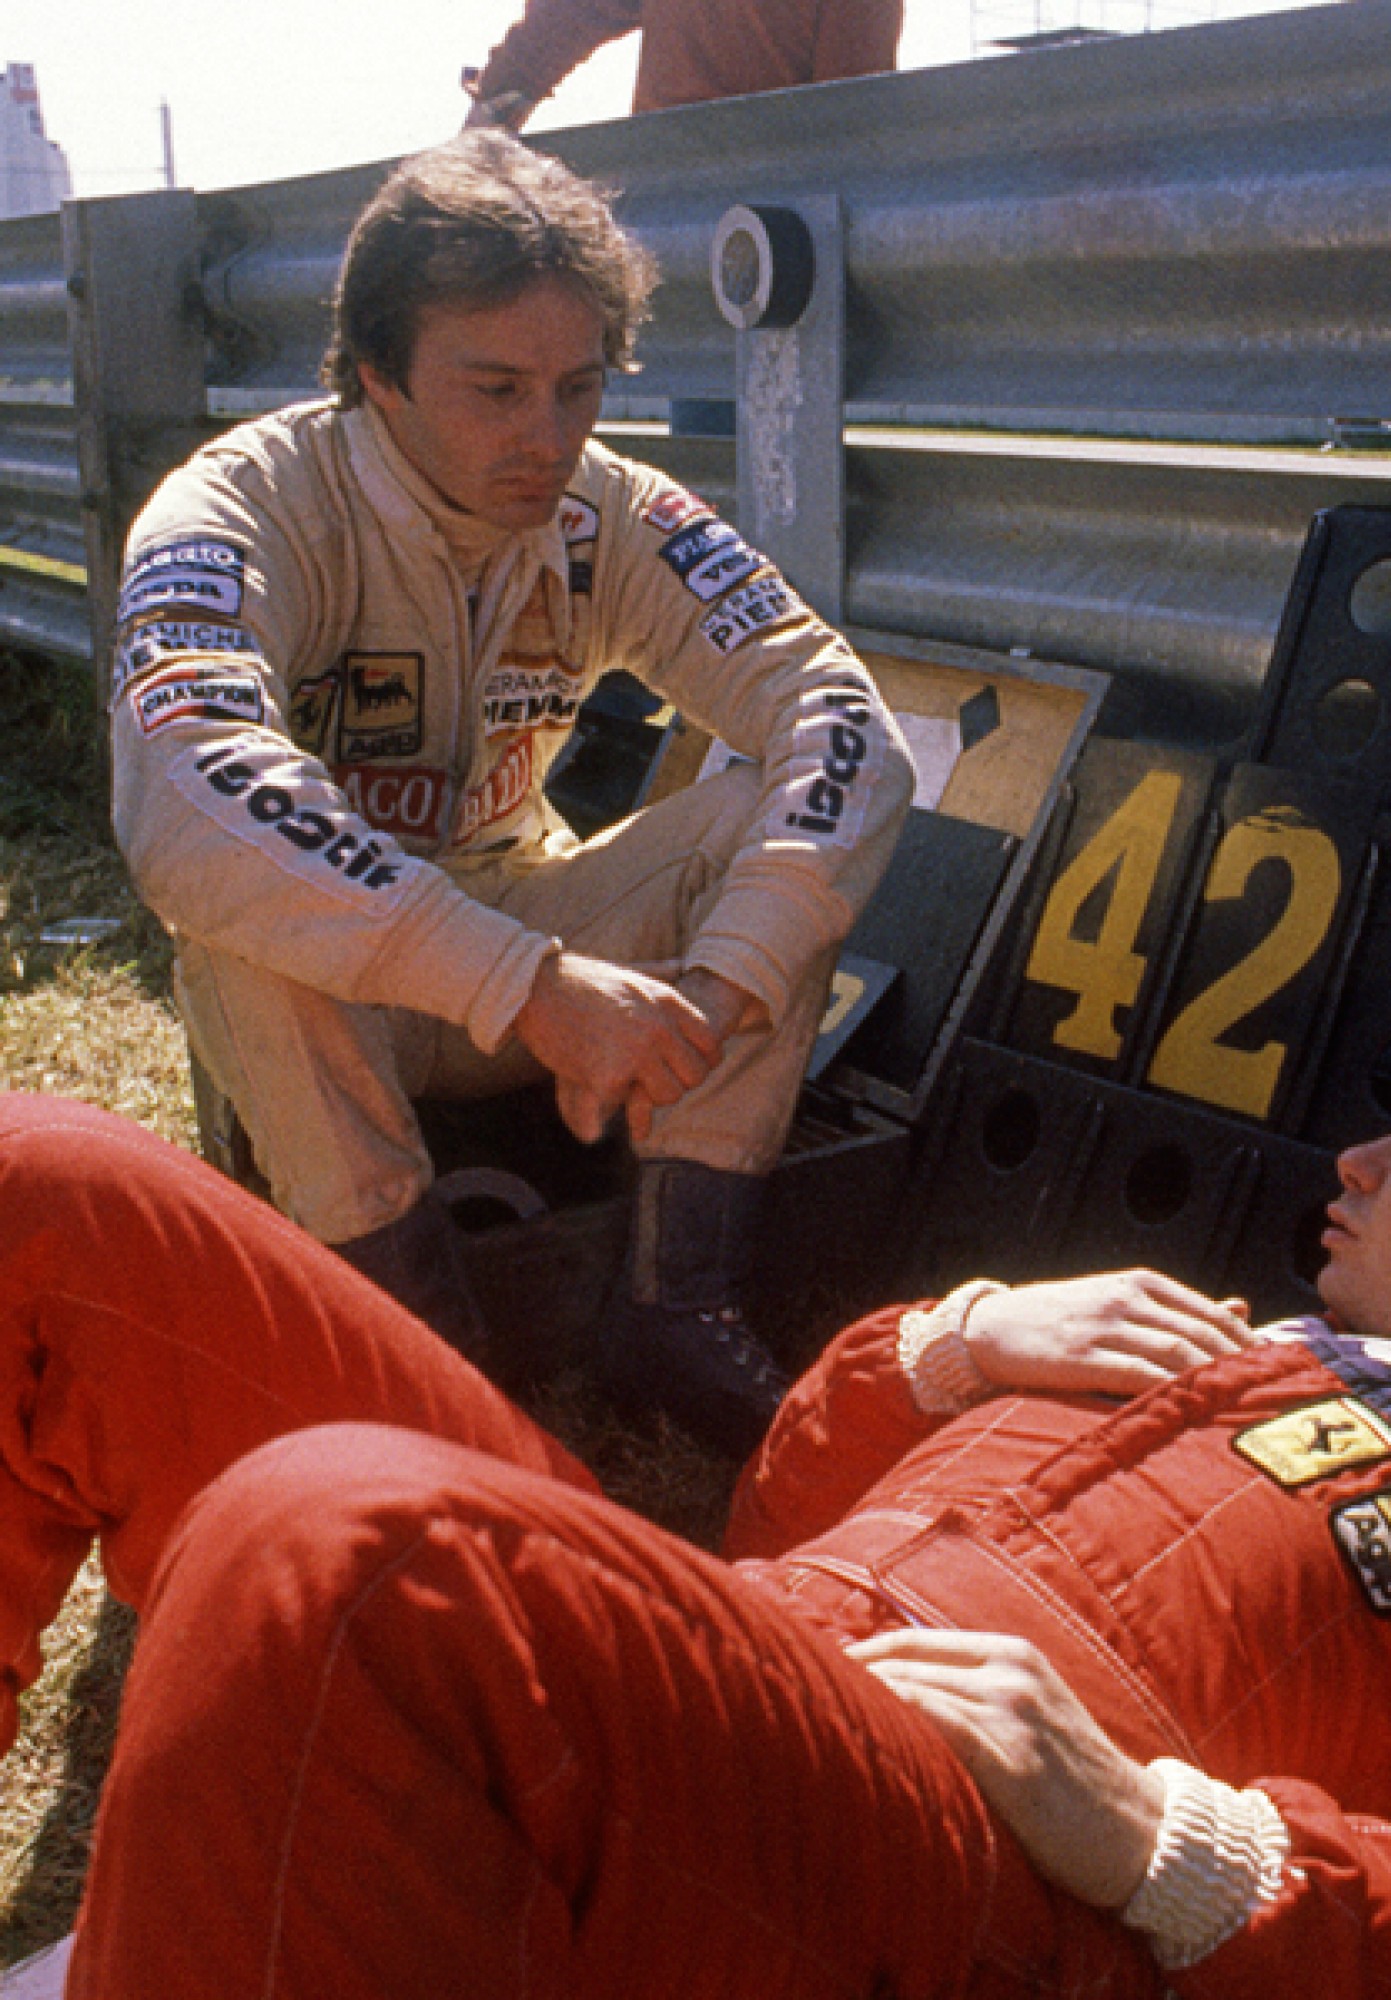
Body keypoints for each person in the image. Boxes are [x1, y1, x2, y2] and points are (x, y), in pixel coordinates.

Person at [0, 1013, 1391, 1997]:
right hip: (728, 1679)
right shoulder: (1202, 1335)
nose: (1354, 1159)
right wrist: (943, 1347)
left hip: (955, 1878)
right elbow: (776, 1528)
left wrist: (1188, 1850)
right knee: (44, 1185)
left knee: (349, 1551)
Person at [108, 131, 913, 1450]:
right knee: (242, 910)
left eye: (580, 389)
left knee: (769, 822)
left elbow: (840, 719)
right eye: (495, 389)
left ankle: (675, 1305)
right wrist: (534, 987)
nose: (547, 439)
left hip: (541, 954)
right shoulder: (242, 507)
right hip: (367, 1002)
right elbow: (184, 784)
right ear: (377, 373)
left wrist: (719, 991)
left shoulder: (611, 512)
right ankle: (423, 1359)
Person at [461, 0, 904, 128]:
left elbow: (565, 19)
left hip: (676, 211)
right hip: (781, 236)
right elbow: (854, 120)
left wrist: (486, 121)